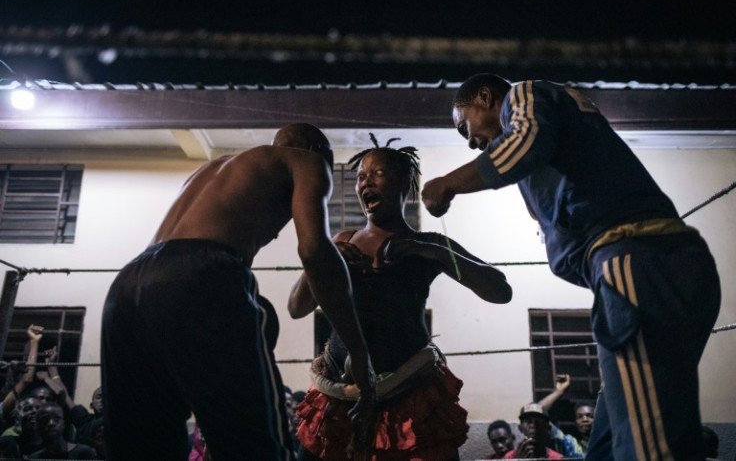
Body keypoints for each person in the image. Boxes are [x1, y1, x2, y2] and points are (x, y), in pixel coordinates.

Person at [422, 73, 721, 461]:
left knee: (650, 446)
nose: (469, 142)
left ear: (485, 97)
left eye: (465, 125)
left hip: (636, 262)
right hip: (650, 268)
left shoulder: (523, 95)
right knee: (611, 439)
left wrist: (447, 183)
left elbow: (525, 144)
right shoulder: (561, 143)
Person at [101, 123, 376, 461]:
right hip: (201, 275)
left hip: (127, 285)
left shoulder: (213, 170)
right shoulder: (307, 162)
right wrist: (359, 355)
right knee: (254, 446)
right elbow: (314, 253)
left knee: (143, 444)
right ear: (318, 150)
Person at [289, 135, 512, 460]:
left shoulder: (429, 244)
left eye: (377, 173)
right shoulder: (341, 241)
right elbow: (297, 307)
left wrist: (432, 251)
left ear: (405, 183)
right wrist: (323, 259)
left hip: (410, 393)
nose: (366, 181)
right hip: (340, 391)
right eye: (361, 176)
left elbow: (500, 291)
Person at [537, 374, 585, 458]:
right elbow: (536, 413)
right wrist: (558, 392)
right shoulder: (571, 444)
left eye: (590, 416)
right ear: (575, 421)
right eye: (579, 416)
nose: (585, 419)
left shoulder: (607, 442)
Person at [29, 402, 96, 459]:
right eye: (45, 420)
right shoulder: (35, 458)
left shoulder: (83, 453)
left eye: (56, 419)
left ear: (63, 424)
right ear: (37, 427)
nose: (51, 423)